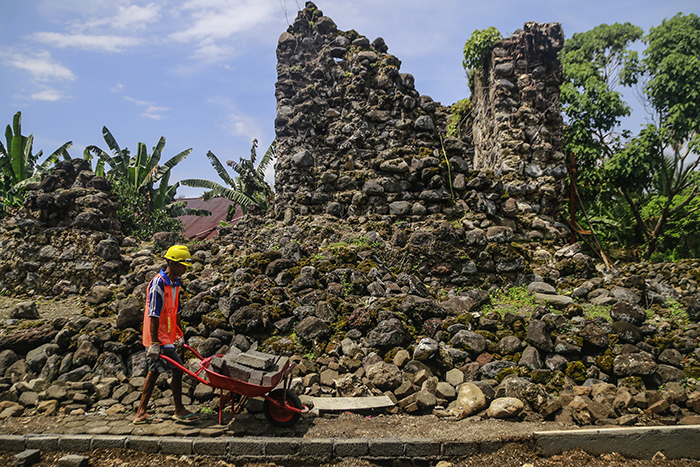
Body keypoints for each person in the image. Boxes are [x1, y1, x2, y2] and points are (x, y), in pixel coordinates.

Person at [133, 245, 198, 425]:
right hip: (157, 337)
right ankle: (177, 409)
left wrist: (178, 333)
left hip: (166, 336)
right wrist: (154, 343)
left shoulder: (175, 283)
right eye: (182, 265)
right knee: (176, 370)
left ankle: (142, 413)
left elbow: (174, 311)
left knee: (155, 372)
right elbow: (153, 314)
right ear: (171, 263)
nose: (185, 269)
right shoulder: (158, 283)